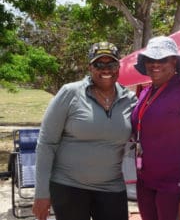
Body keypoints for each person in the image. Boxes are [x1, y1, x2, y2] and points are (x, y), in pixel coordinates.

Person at [32, 41, 137, 220]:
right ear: (90, 67)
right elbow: (46, 144)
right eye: (99, 64)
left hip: (111, 187)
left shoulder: (130, 100)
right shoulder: (70, 93)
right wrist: (41, 193)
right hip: (68, 186)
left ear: (118, 66)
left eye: (111, 64)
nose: (106, 70)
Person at [131, 36, 180, 220]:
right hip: (147, 183)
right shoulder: (145, 92)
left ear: (174, 61)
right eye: (151, 59)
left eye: (162, 59)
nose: (155, 64)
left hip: (178, 186)